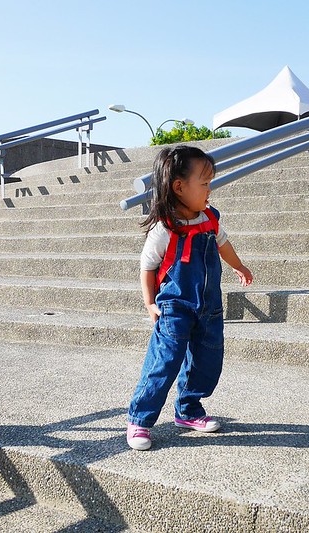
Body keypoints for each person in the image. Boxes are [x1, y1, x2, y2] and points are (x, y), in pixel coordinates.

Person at [126, 145, 253, 451]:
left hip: (209, 306)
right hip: (175, 307)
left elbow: (224, 245)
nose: (210, 190)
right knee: (164, 362)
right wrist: (150, 302)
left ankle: (188, 409)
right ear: (179, 187)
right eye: (205, 183)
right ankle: (139, 419)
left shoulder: (209, 219)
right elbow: (147, 266)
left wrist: (239, 266)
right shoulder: (165, 229)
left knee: (208, 361)